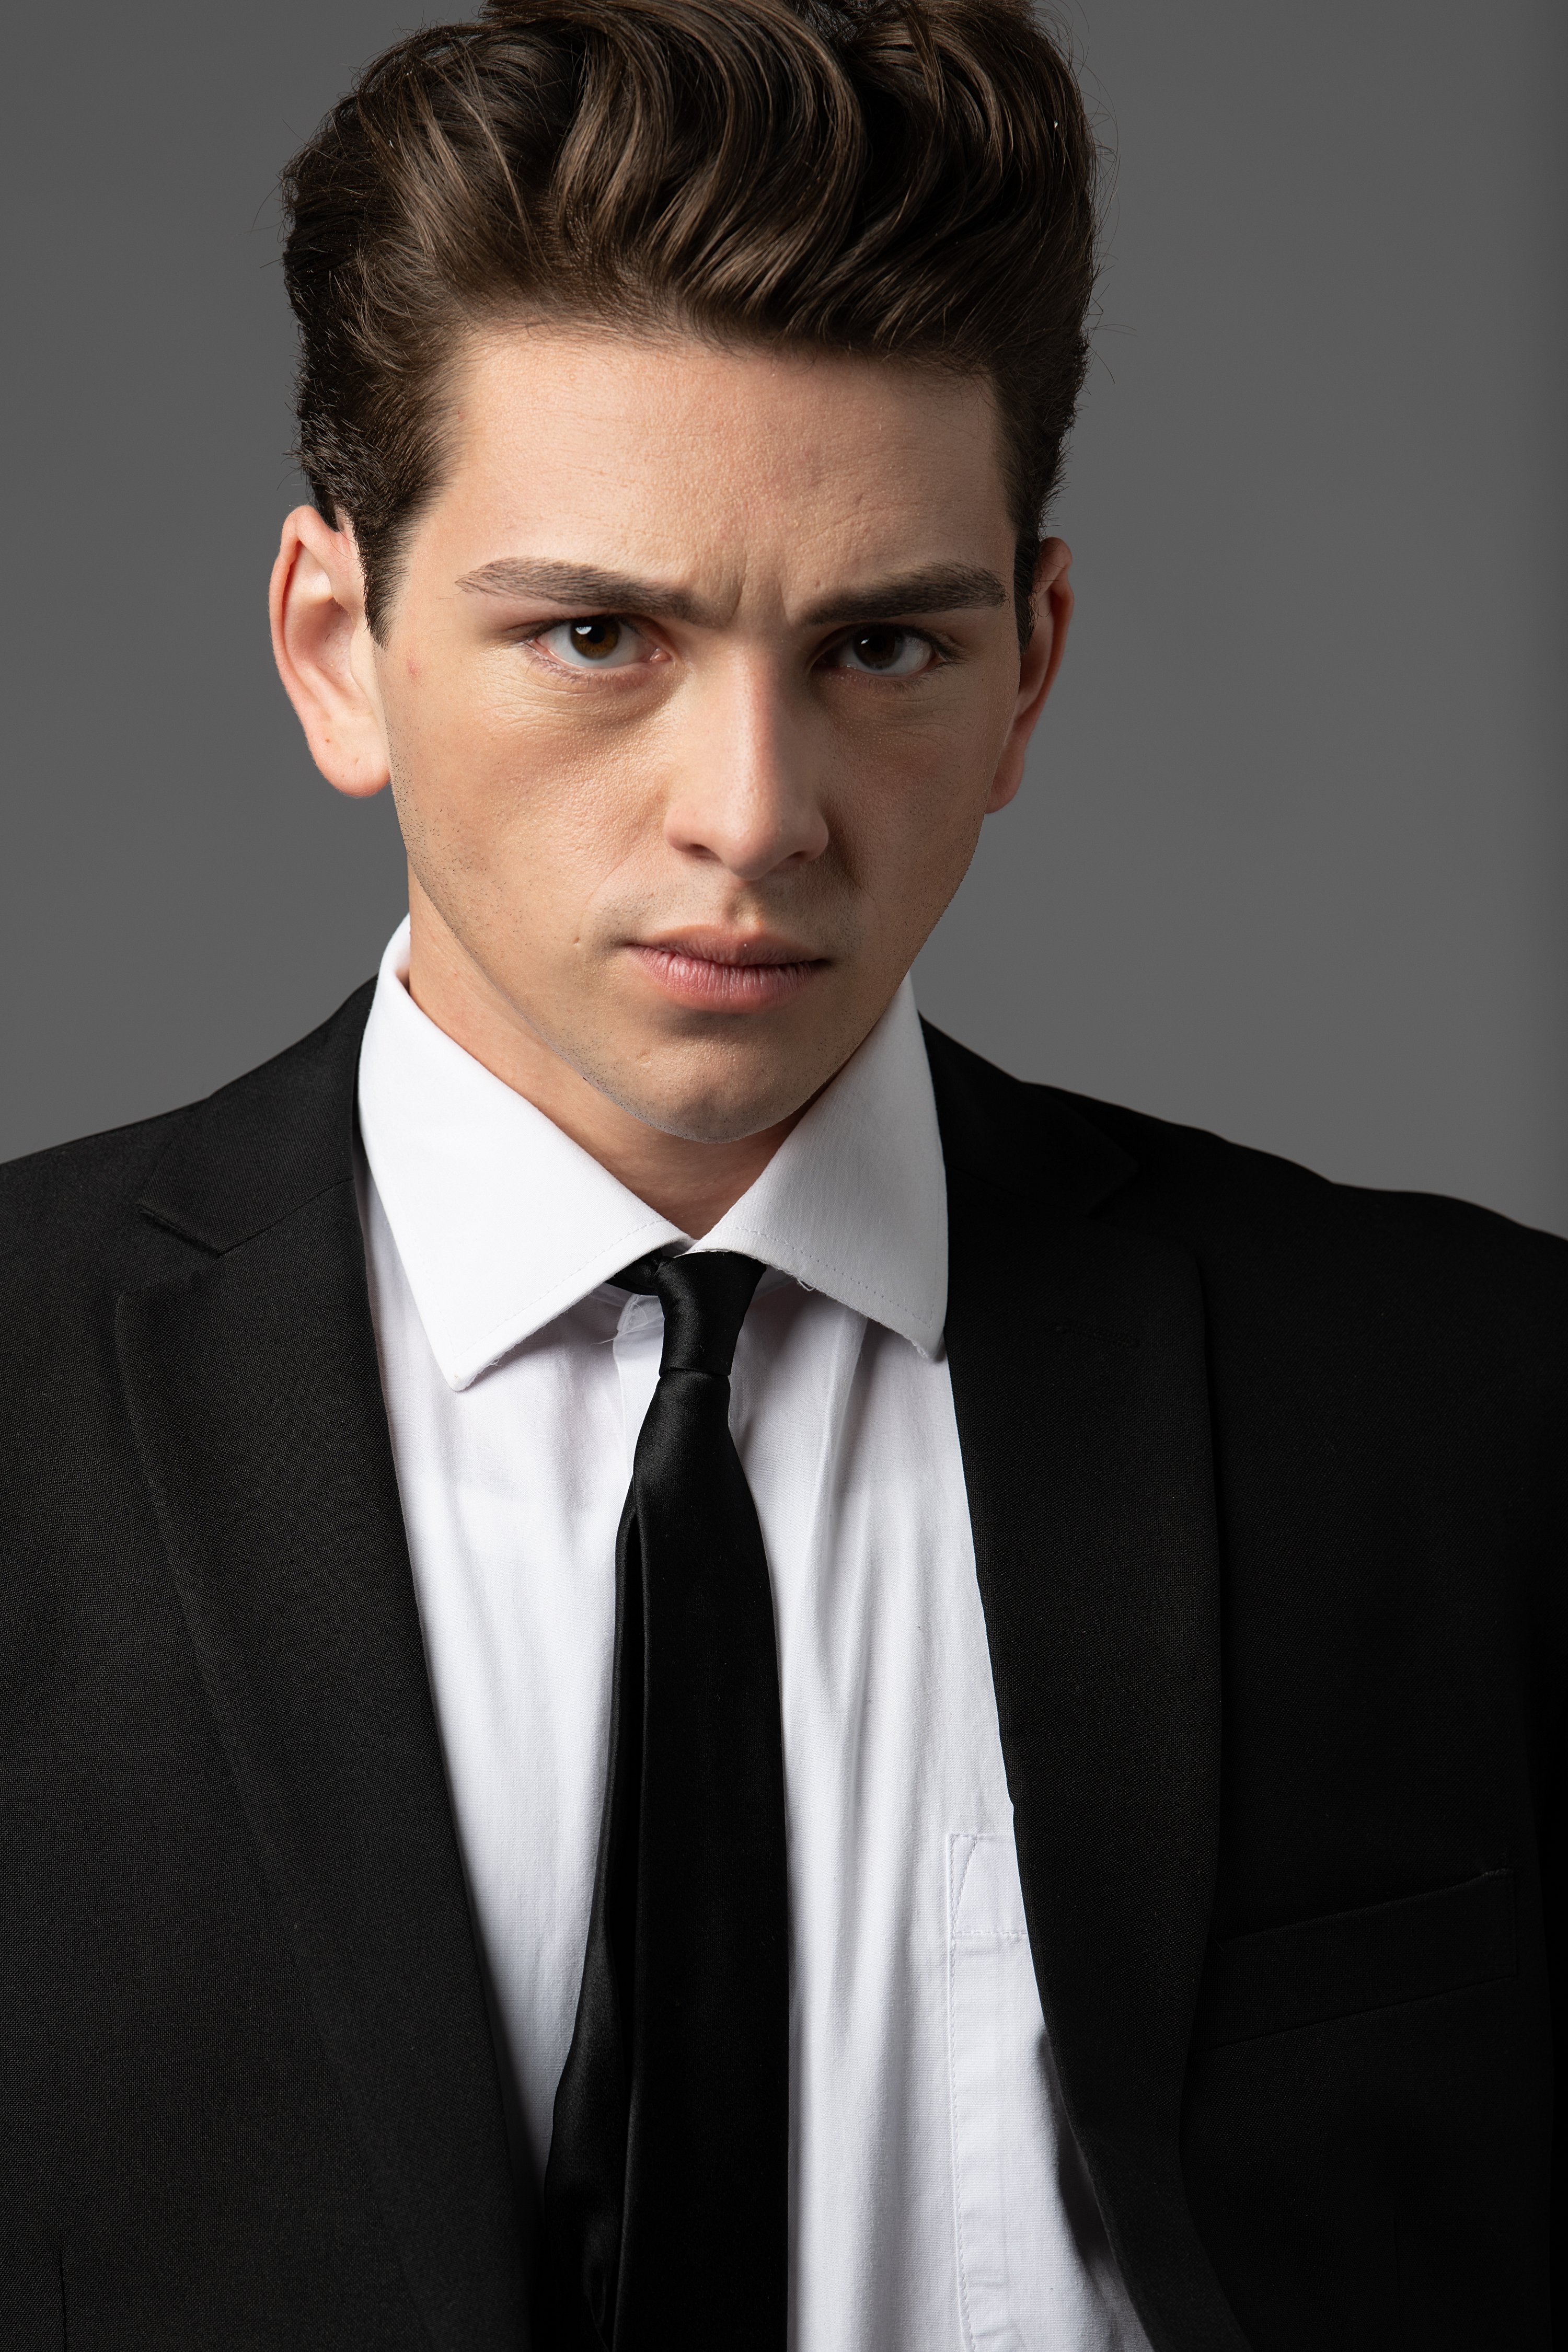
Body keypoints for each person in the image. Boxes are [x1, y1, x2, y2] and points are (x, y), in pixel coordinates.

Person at [0, 0, 1561, 2344]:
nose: (756, 812)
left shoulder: (1477, 1411)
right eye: (597, 635)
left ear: (1029, 672)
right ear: (338, 650)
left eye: (883, 647)